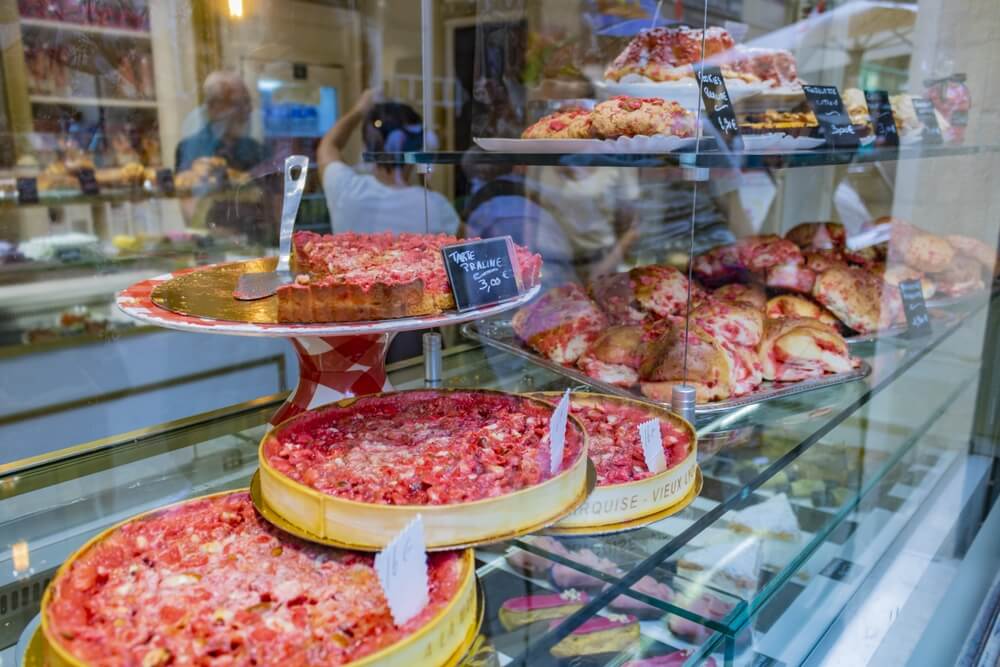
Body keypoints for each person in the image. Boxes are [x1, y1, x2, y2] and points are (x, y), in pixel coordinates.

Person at [317, 90, 460, 236]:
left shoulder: (346, 189)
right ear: (417, 149)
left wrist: (359, 110)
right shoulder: (436, 207)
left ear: (368, 147)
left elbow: (329, 144)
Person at [175, 70, 268, 173]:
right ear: (213, 108)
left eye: (247, 102)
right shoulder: (189, 150)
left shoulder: (257, 150)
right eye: (237, 103)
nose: (248, 110)